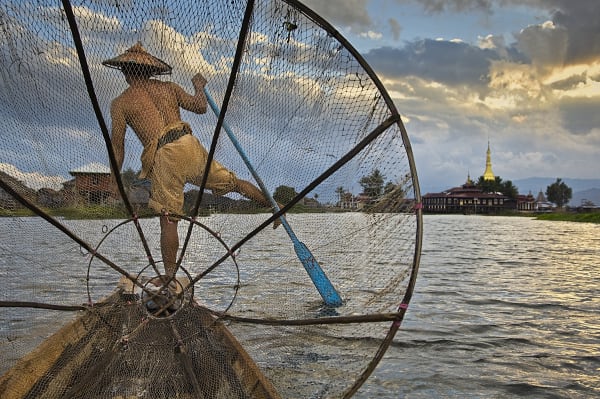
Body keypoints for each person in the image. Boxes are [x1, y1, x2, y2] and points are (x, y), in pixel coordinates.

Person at [104, 42, 278, 279]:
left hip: (165, 155)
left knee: (169, 219)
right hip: (188, 144)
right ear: (150, 71)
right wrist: (199, 87)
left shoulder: (121, 103)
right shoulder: (170, 88)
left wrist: (114, 179)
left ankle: (168, 278)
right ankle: (275, 208)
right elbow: (200, 107)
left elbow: (118, 146)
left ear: (125, 72)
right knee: (233, 183)